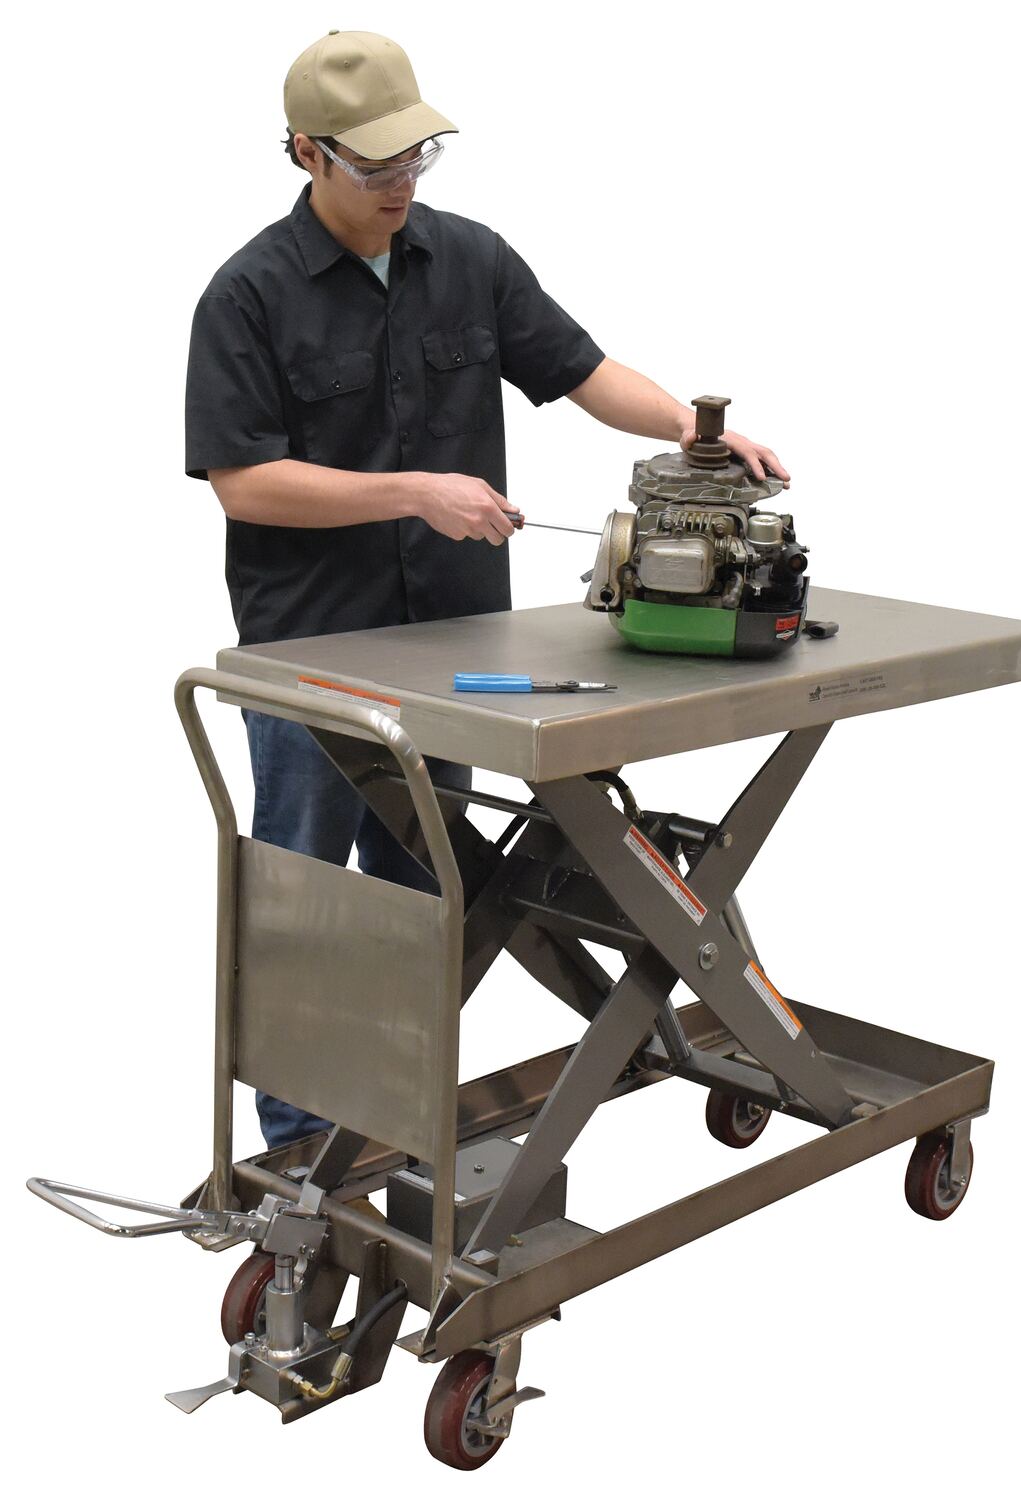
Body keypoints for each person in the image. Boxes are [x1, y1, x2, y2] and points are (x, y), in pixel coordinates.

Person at [185, 28, 789, 1149]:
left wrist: (694, 433)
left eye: (416, 157)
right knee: (306, 898)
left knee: (429, 896)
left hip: (450, 648)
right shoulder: (248, 297)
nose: (401, 184)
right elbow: (245, 484)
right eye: (375, 165)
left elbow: (583, 371)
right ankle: (298, 1144)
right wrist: (413, 492)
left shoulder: (469, 260)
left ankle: (397, 1117)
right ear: (306, 152)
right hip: (311, 654)